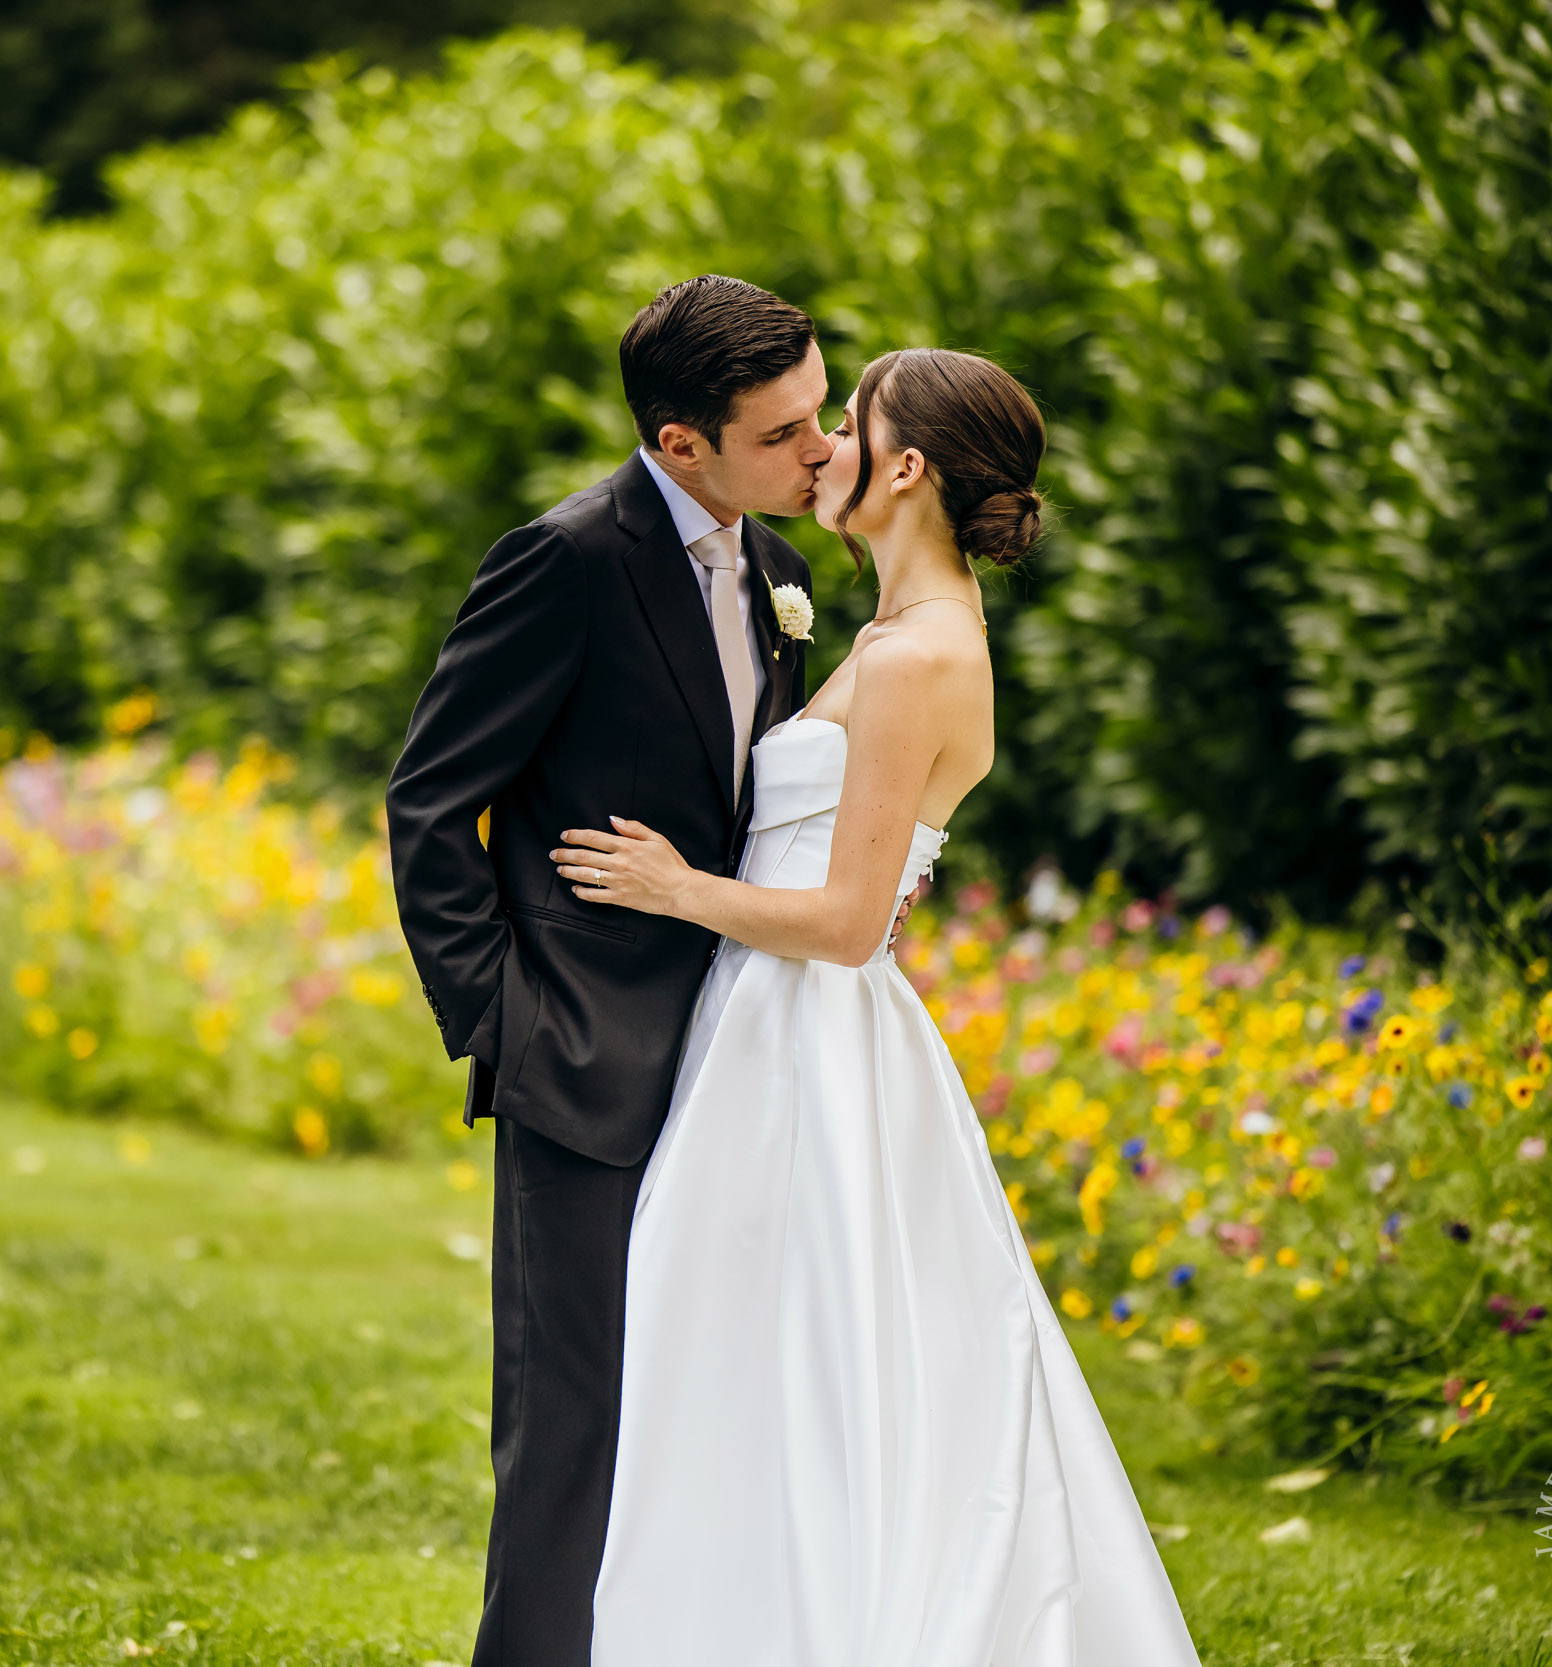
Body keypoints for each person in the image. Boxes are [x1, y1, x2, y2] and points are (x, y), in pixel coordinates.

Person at [562, 349, 1207, 1664]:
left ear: (905, 467)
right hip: (767, 1034)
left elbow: (852, 927)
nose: (823, 447)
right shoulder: (890, 637)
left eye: (847, 426)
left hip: (812, 1051)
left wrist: (675, 888)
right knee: (743, 1360)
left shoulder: (923, 660)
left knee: (800, 1360)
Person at [387, 275, 923, 1667]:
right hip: (587, 1061)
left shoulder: (788, 575)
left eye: (823, 415)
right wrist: (503, 1020)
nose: (823, 454)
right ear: (680, 445)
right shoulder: (564, 561)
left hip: (755, 1053)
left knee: (720, 1413)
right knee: (576, 1423)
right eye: (784, 435)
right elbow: (431, 803)